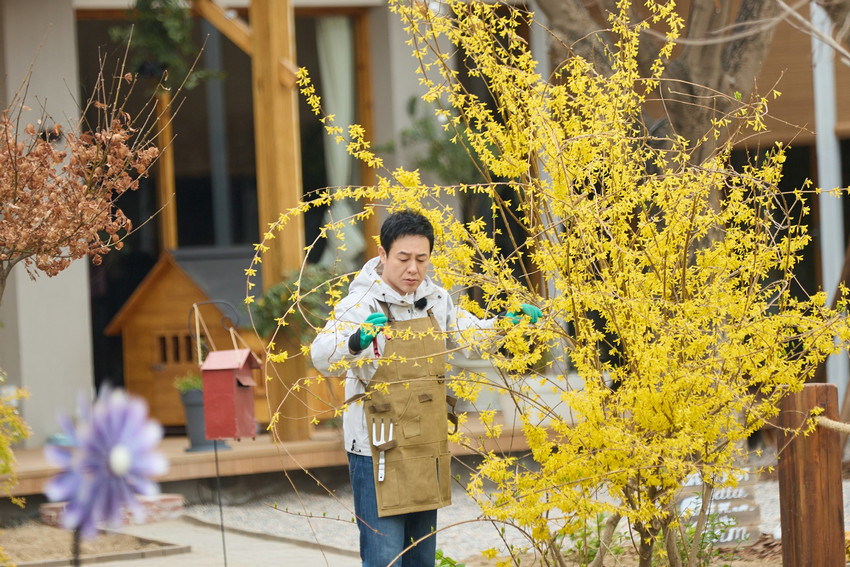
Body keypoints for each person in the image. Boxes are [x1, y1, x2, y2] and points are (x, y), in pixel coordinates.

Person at [311, 210, 541, 567]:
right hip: (377, 451)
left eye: (422, 259)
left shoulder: (436, 299)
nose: (413, 269)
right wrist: (356, 340)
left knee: (421, 558)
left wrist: (505, 325)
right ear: (384, 255)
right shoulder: (360, 304)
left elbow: (466, 334)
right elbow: (322, 356)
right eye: (403, 258)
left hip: (424, 445)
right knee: (385, 559)